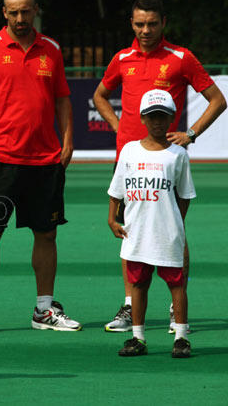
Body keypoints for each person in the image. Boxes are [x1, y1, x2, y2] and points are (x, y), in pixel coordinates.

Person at [93, 0, 226, 333]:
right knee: (128, 230)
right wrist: (117, 126)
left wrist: (191, 133)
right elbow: (99, 95)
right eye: (139, 24)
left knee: (175, 229)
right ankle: (129, 305)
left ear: (163, 23)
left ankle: (174, 305)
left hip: (167, 159)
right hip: (131, 159)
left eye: (152, 24)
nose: (145, 30)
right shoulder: (122, 58)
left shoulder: (181, 57)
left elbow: (217, 100)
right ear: (131, 24)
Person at [0, 0, 80, 334]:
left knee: (46, 235)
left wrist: (68, 141)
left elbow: (62, 99)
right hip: (2, 159)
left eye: (25, 11)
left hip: (45, 161)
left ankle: (44, 310)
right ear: (4, 12)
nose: (19, 18)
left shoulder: (52, 50)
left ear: (35, 10)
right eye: (13, 12)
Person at [108, 89, 195, 358]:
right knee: (138, 285)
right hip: (136, 232)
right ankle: (138, 337)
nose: (157, 121)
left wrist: (174, 222)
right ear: (143, 119)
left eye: (162, 116)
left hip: (167, 233)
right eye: (152, 116)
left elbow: (184, 195)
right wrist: (112, 218)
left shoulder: (178, 154)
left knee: (176, 284)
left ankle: (181, 336)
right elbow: (117, 191)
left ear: (171, 119)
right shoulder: (130, 151)